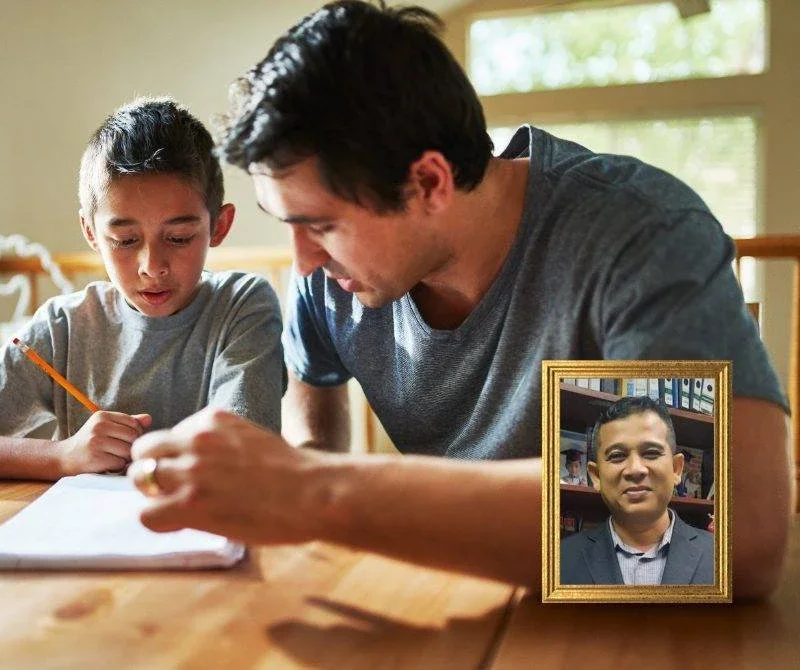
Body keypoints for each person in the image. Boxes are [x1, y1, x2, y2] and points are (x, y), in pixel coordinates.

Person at [126, 1, 793, 598]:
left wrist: (311, 490)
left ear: (428, 182)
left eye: (321, 224)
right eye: (288, 225)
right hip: (457, 604)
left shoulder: (636, 233)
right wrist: (302, 482)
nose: (303, 260)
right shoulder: (331, 282)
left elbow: (737, 527)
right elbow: (314, 411)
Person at [0, 97, 285, 480]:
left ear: (219, 226)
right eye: (125, 241)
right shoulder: (65, 327)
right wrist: (60, 456)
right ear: (91, 233)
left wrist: (143, 457)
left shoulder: (242, 306)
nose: (152, 267)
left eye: (179, 237)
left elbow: (245, 452)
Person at [559, 396, 714, 585]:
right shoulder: (559, 561)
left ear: (676, 469)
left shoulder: (724, 556)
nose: (635, 469)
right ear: (596, 476)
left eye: (651, 453)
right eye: (617, 456)